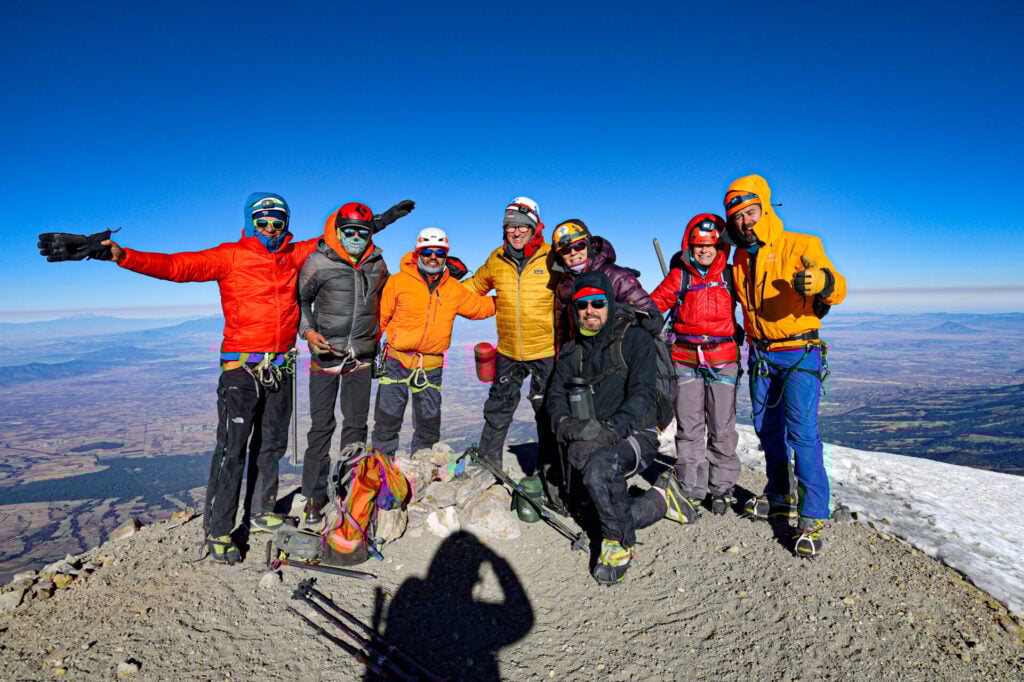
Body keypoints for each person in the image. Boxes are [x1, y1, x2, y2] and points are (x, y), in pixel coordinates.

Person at [36, 194, 413, 565]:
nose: (269, 228)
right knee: (232, 451)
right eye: (262, 221)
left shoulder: (294, 254)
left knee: (272, 444)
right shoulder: (229, 255)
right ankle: (218, 530)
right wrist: (119, 255)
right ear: (250, 222)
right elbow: (176, 266)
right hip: (241, 368)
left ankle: (262, 511)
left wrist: (379, 220)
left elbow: (340, 237)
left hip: (279, 366)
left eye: (277, 221)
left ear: (286, 224)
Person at [722, 174, 847, 557]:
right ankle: (779, 494)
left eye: (750, 211)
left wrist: (823, 282)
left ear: (764, 208)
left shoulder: (801, 245)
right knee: (766, 428)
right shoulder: (740, 257)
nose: (745, 221)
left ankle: (813, 515)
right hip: (760, 353)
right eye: (737, 216)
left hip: (798, 352)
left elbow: (838, 288)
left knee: (803, 433)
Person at [547, 272, 696, 586]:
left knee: (599, 470)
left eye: (598, 303)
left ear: (609, 304)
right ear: (575, 310)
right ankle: (660, 500)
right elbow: (556, 397)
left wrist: (609, 430)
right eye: (582, 305)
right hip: (591, 436)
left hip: (635, 434)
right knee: (588, 510)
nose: (590, 310)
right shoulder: (573, 351)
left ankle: (618, 544)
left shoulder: (634, 338)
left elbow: (643, 394)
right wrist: (567, 426)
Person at [297, 202, 400, 525]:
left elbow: (388, 298)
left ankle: (348, 489)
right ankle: (314, 497)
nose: (356, 236)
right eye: (350, 231)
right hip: (326, 355)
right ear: (339, 231)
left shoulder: (377, 264)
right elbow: (301, 300)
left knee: (356, 425)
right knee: (321, 427)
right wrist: (308, 331)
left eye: (363, 232)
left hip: (362, 357)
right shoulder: (318, 262)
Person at [371, 228, 496, 455]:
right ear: (418, 253)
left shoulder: (454, 289)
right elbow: (380, 318)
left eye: (439, 253)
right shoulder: (398, 282)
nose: (433, 257)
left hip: (431, 366)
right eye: (427, 251)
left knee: (428, 425)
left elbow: (480, 308)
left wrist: (507, 298)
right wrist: (370, 351)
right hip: (396, 361)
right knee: (387, 423)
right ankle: (381, 474)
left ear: (446, 256)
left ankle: (423, 473)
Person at [466, 198, 560, 491]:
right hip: (508, 350)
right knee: (498, 409)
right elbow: (472, 290)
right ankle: (488, 469)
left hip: (546, 351)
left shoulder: (551, 257)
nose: (516, 232)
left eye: (522, 226)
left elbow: (579, 284)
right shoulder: (497, 259)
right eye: (510, 226)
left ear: (535, 227)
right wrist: (441, 286)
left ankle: (552, 481)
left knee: (547, 415)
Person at [650, 214, 741, 515]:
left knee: (722, 427)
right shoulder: (679, 276)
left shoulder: (730, 275)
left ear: (720, 248)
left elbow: (755, 304)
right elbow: (654, 305)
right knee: (689, 427)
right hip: (686, 359)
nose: (704, 250)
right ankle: (690, 488)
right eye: (698, 245)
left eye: (710, 245)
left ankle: (721, 488)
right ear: (689, 246)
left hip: (722, 360)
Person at [550, 218, 661, 346]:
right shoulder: (564, 285)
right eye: (566, 250)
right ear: (559, 256)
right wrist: (562, 358)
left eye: (579, 246)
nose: (573, 253)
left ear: (589, 245)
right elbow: (562, 330)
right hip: (582, 354)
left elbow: (652, 317)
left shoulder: (616, 276)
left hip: (616, 352)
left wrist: (623, 316)